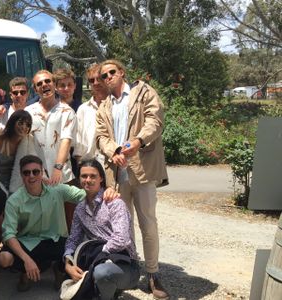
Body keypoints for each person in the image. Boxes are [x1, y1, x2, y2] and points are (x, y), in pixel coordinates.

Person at [95, 59, 169, 299]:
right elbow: (101, 136)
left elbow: (155, 121)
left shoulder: (144, 92)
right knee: (122, 225)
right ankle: (129, 269)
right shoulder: (104, 105)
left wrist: (138, 141)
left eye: (111, 73)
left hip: (143, 168)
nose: (107, 78)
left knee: (148, 222)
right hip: (117, 173)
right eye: (103, 76)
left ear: (122, 72)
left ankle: (153, 273)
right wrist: (113, 151)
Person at [0, 155, 86, 292]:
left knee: (78, 251)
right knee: (4, 258)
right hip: (29, 242)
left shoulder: (57, 190)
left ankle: (59, 269)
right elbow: (9, 234)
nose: (31, 176)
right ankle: (27, 271)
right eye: (26, 172)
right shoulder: (14, 200)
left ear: (42, 173)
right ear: (21, 175)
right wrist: (27, 260)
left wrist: (108, 192)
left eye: (36, 172)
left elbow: (84, 195)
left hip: (56, 240)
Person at [63, 159, 140, 300]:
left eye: (93, 176)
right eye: (84, 176)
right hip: (99, 261)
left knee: (101, 273)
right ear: (79, 179)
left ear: (101, 179)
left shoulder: (115, 204)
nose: (88, 180)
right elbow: (73, 238)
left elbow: (121, 239)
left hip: (126, 265)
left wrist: (98, 256)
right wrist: (68, 263)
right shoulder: (80, 208)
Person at [25, 70, 77, 186]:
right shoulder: (27, 113)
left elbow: (66, 140)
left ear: (54, 85)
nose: (44, 85)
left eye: (48, 81)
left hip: (62, 177)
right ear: (35, 89)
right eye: (39, 84)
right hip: (36, 178)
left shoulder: (67, 111)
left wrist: (57, 169)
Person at [73, 64, 108, 166]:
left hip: (115, 164)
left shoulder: (117, 106)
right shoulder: (83, 109)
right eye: (92, 80)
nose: (96, 83)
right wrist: (80, 164)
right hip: (90, 166)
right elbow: (78, 141)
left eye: (99, 78)